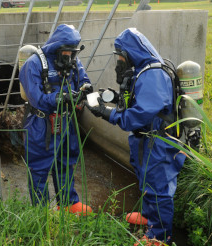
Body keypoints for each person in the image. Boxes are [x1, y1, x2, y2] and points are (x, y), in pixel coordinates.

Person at [85, 28, 186, 244]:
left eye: (121, 55)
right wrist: (109, 98)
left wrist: (106, 113)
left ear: (130, 52)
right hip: (145, 141)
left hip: (158, 142)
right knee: (146, 181)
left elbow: (137, 117)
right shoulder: (142, 71)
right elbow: (133, 102)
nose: (119, 60)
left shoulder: (153, 74)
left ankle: (159, 237)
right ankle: (149, 217)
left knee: (158, 190)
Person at [19, 24, 93, 215]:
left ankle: (68, 202)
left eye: (73, 52)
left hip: (66, 121)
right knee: (40, 167)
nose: (70, 56)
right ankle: (41, 212)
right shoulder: (34, 65)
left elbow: (83, 80)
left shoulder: (73, 60)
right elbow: (37, 99)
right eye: (67, 52)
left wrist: (84, 90)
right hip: (41, 124)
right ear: (57, 48)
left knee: (66, 161)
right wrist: (61, 97)